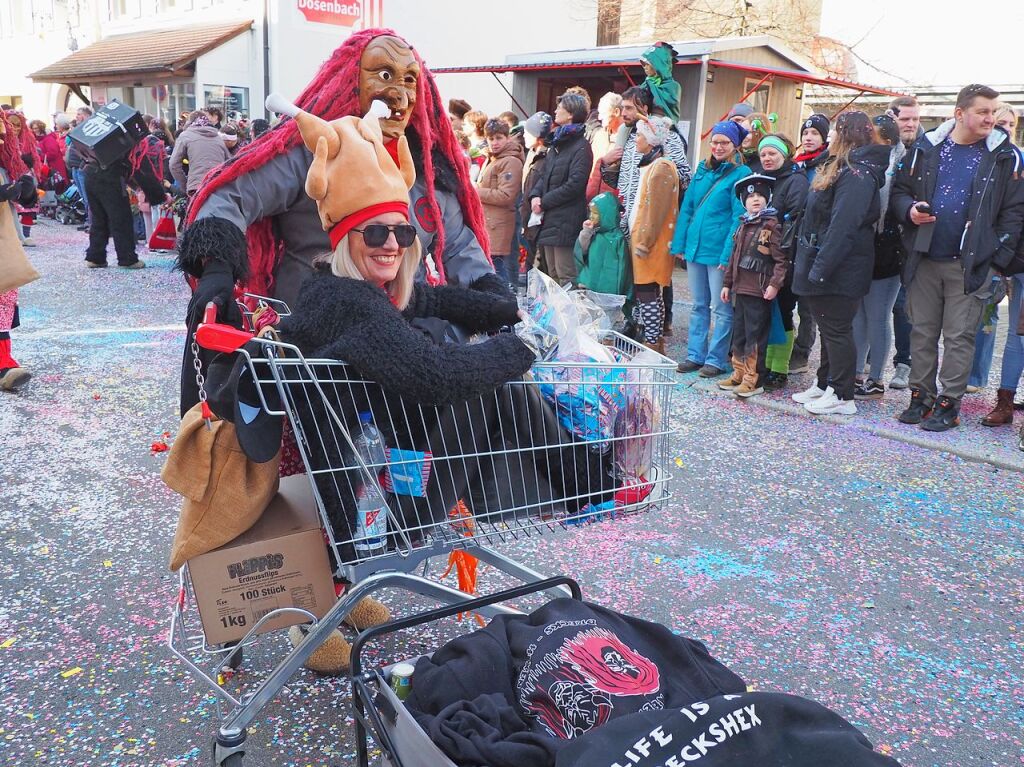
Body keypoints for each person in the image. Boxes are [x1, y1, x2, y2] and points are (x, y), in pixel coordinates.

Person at [177, 30, 503, 417]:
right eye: (384, 75)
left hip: (403, 347)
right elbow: (231, 195)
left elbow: (460, 246)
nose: (399, 94)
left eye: (410, 79)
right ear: (352, 80)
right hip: (317, 354)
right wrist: (217, 269)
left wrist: (492, 298)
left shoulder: (424, 172)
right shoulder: (315, 152)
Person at [891, 84, 1024, 431]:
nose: (991, 118)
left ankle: (949, 404)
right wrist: (910, 210)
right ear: (960, 113)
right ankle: (921, 397)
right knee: (921, 331)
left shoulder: (1004, 156)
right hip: (924, 257)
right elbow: (900, 192)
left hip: (970, 264)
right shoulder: (926, 148)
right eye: (983, 111)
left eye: (993, 112)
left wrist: (996, 258)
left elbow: (1014, 213)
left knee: (959, 336)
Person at [791, 111, 887, 417]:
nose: (829, 136)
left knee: (837, 330)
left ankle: (843, 394)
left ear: (846, 135)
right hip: (827, 262)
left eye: (835, 132)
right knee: (829, 327)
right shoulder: (843, 168)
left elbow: (843, 226)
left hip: (841, 268)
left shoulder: (857, 174)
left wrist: (820, 269)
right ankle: (825, 384)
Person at [600, 86, 690, 336]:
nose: (624, 112)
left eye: (629, 108)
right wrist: (607, 166)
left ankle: (658, 327)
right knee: (634, 278)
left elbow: (683, 175)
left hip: (653, 221)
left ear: (644, 109)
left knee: (653, 281)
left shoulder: (666, 138)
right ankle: (635, 320)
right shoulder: (630, 137)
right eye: (622, 108)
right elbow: (620, 180)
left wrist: (663, 170)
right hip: (630, 217)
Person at [671, 121, 751, 377]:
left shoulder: (741, 173)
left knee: (722, 308)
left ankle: (716, 359)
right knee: (698, 305)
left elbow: (738, 217)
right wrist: (680, 242)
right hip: (696, 248)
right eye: (715, 142)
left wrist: (727, 254)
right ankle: (695, 354)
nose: (718, 147)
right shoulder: (702, 170)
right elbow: (688, 209)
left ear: (734, 145)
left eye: (724, 143)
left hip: (718, 251)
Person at [849, 114, 907, 401]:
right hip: (864, 247)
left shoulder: (900, 167)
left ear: (886, 139)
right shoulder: (862, 162)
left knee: (878, 315)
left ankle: (876, 378)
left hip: (888, 250)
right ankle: (857, 372)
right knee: (858, 314)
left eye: (870, 134)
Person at [719, 174, 788, 397]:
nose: (755, 200)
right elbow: (734, 259)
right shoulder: (742, 225)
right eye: (750, 197)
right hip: (740, 289)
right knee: (738, 334)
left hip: (759, 291)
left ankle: (753, 378)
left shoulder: (772, 225)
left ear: (767, 198)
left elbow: (781, 260)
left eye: (760, 195)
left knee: (755, 337)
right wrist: (727, 284)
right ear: (743, 201)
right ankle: (738, 372)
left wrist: (775, 284)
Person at [980, 103, 1024, 426]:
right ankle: (1005, 402)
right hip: (1010, 263)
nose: (1004, 128)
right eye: (999, 122)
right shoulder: (985, 160)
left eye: (1010, 123)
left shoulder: (1020, 162)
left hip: (1015, 257)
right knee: (1014, 335)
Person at [757, 133, 808, 390]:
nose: (767, 158)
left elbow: (794, 217)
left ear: (784, 154)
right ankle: (766, 363)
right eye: (763, 154)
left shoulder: (795, 180)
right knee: (768, 311)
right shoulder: (765, 180)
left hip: (786, 256)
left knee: (784, 311)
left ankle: (780, 368)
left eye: (772, 153)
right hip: (764, 256)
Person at [625, 116, 680, 354]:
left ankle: (653, 342)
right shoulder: (652, 165)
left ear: (651, 140)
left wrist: (644, 242)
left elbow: (656, 211)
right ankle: (653, 339)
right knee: (649, 292)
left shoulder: (661, 168)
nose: (635, 139)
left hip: (650, 242)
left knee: (648, 291)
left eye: (639, 135)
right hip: (643, 239)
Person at [529, 91, 592, 286]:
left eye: (560, 107)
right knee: (551, 274)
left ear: (571, 113)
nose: (555, 111)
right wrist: (535, 196)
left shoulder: (581, 146)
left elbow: (575, 184)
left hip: (566, 220)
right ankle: (557, 315)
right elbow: (544, 175)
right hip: (549, 219)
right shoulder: (557, 143)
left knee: (565, 275)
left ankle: (571, 315)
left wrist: (544, 201)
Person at [787, 112, 831, 374]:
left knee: (807, 305)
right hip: (791, 237)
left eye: (815, 133)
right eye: (806, 133)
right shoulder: (797, 164)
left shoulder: (826, 165)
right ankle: (787, 347)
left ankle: (802, 352)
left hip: (811, 240)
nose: (809, 137)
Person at [0, 110, 37, 391]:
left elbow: (19, 191)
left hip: (4, 240)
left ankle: (5, 363)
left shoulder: (8, 158)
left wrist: (23, 188)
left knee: (4, 298)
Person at [887, 97, 922, 391]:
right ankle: (873, 361)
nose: (910, 124)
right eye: (904, 119)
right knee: (876, 305)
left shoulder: (928, 149)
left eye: (914, 118)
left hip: (912, 238)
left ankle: (904, 363)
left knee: (903, 306)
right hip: (882, 238)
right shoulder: (885, 148)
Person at [476, 118, 524, 288]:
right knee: (493, 268)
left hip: (498, 225)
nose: (494, 143)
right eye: (491, 139)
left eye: (499, 138)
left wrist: (475, 191)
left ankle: (505, 304)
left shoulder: (510, 161)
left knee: (499, 270)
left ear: (507, 138)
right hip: (489, 223)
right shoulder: (494, 158)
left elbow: (506, 195)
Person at [574, 191, 629, 298]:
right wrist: (586, 232)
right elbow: (581, 252)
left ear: (607, 213)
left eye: (595, 213)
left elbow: (622, 270)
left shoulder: (617, 238)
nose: (591, 216)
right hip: (589, 288)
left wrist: (619, 294)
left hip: (608, 293)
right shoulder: (594, 233)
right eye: (591, 212)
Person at [521, 111, 553, 274]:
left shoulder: (545, 159)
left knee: (536, 269)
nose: (524, 136)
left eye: (528, 133)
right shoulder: (533, 155)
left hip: (538, 224)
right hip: (529, 223)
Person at [170, 112, 229, 196]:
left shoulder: (185, 135)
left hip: (197, 187)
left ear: (189, 122)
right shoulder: (218, 137)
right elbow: (229, 163)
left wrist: (185, 185)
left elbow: (173, 165)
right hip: (219, 185)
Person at [586, 92, 622, 200]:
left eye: (603, 113)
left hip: (612, 204)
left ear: (616, 112)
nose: (599, 117)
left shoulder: (628, 140)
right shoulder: (599, 136)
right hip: (592, 201)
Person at [639, 42, 681, 123]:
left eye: (647, 64)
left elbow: (668, 104)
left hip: (666, 127)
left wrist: (650, 86)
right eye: (643, 64)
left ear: (658, 65)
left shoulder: (673, 86)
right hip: (645, 125)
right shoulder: (645, 84)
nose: (645, 67)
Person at [66, 107, 92, 231]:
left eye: (79, 114)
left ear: (87, 115)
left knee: (88, 197)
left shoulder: (88, 128)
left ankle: (92, 223)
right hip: (75, 167)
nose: (76, 116)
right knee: (83, 196)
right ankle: (88, 220)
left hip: (83, 167)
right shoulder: (78, 129)